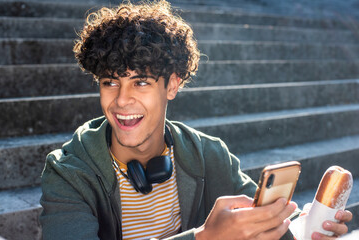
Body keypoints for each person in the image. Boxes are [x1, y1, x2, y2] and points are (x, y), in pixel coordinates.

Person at [39, 0, 352, 239]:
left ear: (172, 85)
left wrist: (296, 226)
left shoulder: (208, 154)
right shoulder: (68, 172)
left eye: (141, 82)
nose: (121, 100)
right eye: (110, 82)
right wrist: (204, 237)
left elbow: (256, 226)